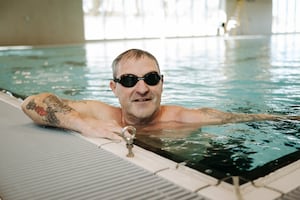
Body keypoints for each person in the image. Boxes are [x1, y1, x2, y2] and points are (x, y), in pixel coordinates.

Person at [21, 49, 299, 140]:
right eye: (129, 80)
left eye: (151, 79)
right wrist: (85, 124)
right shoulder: (100, 114)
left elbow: (241, 118)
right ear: (114, 87)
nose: (142, 88)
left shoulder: (182, 119)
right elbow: (31, 102)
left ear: (161, 84)